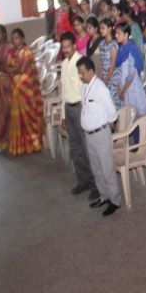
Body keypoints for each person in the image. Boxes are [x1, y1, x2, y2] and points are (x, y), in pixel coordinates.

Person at [76, 57, 121, 216]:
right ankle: (104, 196)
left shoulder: (100, 88)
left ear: (91, 71)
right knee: (96, 169)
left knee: (107, 168)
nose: (81, 76)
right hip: (89, 135)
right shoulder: (84, 87)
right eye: (79, 73)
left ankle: (115, 200)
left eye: (82, 73)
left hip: (100, 133)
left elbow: (112, 112)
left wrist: (109, 124)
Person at [60, 31, 97, 198]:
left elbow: (88, 89)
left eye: (68, 46)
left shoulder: (81, 63)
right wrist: (63, 114)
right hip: (69, 109)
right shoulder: (64, 64)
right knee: (75, 149)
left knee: (87, 148)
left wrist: (88, 111)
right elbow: (63, 91)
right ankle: (84, 180)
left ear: (74, 46)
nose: (65, 50)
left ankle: (96, 184)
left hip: (80, 108)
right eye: (63, 47)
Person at [6, 28, 44, 156]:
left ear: (22, 39)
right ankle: (21, 146)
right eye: (13, 38)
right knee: (18, 118)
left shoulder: (26, 52)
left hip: (26, 87)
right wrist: (10, 70)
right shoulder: (12, 52)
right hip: (16, 87)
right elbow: (8, 66)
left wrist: (10, 70)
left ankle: (34, 143)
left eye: (17, 38)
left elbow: (20, 69)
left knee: (29, 116)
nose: (14, 41)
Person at [114, 22, 146, 116]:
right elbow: (119, 70)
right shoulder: (121, 48)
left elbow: (131, 74)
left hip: (131, 86)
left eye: (119, 33)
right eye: (116, 33)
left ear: (126, 35)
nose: (116, 35)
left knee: (135, 113)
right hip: (123, 84)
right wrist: (119, 87)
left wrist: (124, 91)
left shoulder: (131, 49)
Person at [99, 18, 120, 103]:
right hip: (104, 77)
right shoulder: (102, 43)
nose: (101, 30)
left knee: (112, 102)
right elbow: (101, 62)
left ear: (110, 28)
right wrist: (101, 77)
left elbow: (113, 65)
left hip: (112, 78)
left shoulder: (113, 45)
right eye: (100, 28)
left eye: (103, 28)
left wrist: (106, 79)